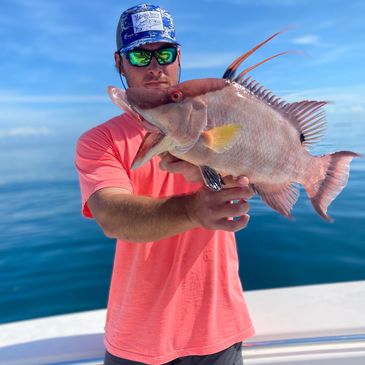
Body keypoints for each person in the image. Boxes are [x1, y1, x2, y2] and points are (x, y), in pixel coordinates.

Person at [75, 4, 255, 365]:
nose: (155, 67)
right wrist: (194, 209)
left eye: (165, 53)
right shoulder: (99, 142)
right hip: (138, 342)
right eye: (140, 55)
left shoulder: (218, 122)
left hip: (220, 333)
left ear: (178, 57)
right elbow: (111, 215)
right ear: (119, 63)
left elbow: (251, 174)